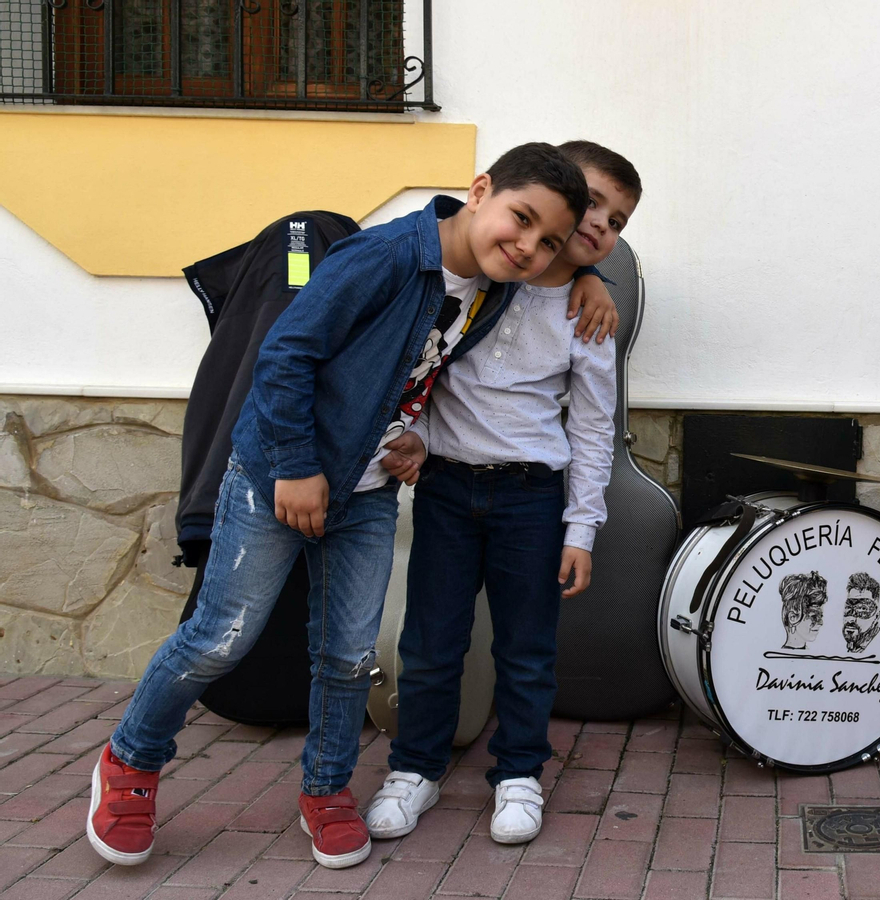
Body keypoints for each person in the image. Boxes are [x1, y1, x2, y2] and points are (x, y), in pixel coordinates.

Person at [88, 143, 601, 870]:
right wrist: (295, 469)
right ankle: (131, 760)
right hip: (279, 477)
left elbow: (412, 366)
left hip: (367, 492)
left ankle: (326, 789)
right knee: (220, 638)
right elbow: (286, 353)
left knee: (348, 655)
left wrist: (591, 277)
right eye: (520, 220)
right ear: (479, 190)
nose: (528, 247)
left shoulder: (498, 284)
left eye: (549, 241)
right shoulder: (384, 256)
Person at [364, 141, 641, 846]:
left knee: (526, 649)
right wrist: (417, 438)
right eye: (594, 206)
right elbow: (426, 366)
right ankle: (415, 769)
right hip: (448, 489)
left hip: (532, 499)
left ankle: (518, 773)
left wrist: (582, 529)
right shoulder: (486, 274)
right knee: (430, 643)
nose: (601, 226)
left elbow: (594, 426)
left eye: (618, 222)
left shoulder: (589, 313)